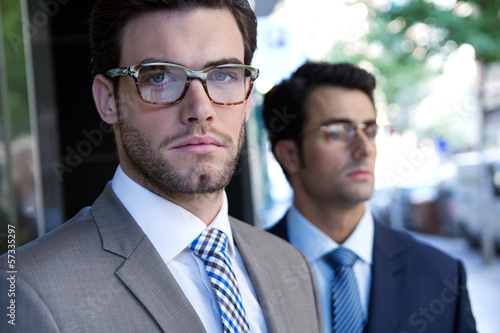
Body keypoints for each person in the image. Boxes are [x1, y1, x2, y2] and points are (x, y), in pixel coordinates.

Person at [0, 1, 323, 332]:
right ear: (108, 100)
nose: (200, 108)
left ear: (247, 96)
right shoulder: (28, 290)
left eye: (223, 74)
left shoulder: (292, 266)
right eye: (160, 77)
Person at [263, 62, 477, 333]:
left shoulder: (442, 276)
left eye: (370, 131)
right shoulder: (242, 274)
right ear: (290, 155)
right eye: (338, 132)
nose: (364, 148)